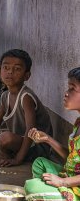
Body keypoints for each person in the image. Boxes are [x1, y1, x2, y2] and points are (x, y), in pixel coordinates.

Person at [0, 49, 52, 167]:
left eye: (17, 69)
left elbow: (30, 131)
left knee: (5, 138)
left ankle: (8, 156)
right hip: (18, 141)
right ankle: (1, 154)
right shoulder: (5, 95)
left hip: (37, 146)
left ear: (27, 76)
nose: (10, 72)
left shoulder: (26, 97)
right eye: (6, 68)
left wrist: (18, 160)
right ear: (0, 71)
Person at [24, 67, 80, 201]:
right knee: (40, 163)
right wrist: (48, 139)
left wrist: (62, 182)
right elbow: (72, 158)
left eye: (72, 89)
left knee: (31, 187)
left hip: (76, 188)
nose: (66, 93)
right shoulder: (78, 123)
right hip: (71, 176)